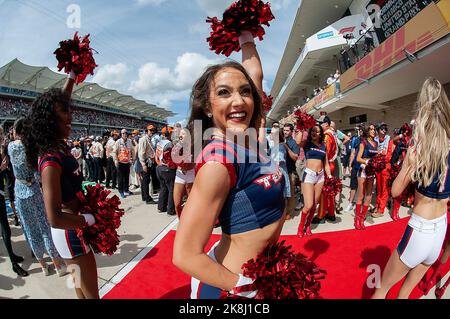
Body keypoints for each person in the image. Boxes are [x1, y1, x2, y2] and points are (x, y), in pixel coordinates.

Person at [173, 31, 286, 299]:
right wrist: (244, 286)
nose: (238, 101)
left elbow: (254, 74)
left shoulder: (249, 138)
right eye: (224, 93)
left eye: (245, 92)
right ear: (208, 107)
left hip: (261, 274)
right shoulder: (218, 161)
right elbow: (184, 255)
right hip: (229, 287)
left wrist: (246, 34)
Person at [22, 71, 99, 298]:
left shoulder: (56, 145)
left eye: (68, 110)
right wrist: (89, 219)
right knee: (92, 296)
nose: (70, 117)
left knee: (81, 292)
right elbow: (54, 217)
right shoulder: (50, 161)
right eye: (64, 113)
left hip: (68, 232)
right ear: (50, 122)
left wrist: (73, 76)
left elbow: (57, 103)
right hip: (70, 231)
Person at [373, 78, 449, 299]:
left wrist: (407, 167)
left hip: (420, 230)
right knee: (405, 294)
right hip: (440, 229)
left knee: (382, 289)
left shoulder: (418, 150)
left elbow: (396, 192)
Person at [8, 118, 66, 276]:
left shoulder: (10, 146)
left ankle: (43, 266)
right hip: (33, 188)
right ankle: (57, 263)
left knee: (30, 228)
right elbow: (38, 173)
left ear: (16, 130)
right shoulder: (32, 147)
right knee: (45, 226)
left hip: (19, 190)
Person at [0, 126, 28, 276]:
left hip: (1, 192)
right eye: (0, 134)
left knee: (6, 229)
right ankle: (12, 262)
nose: (2, 136)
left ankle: (12, 257)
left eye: (2, 133)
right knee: (5, 229)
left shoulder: (3, 149)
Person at [295, 125, 332, 237]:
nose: (314, 132)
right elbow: (297, 142)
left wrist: (329, 176)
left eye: (317, 131)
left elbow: (326, 163)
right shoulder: (307, 143)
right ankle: (300, 227)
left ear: (321, 134)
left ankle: (307, 226)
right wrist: (301, 128)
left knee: (315, 204)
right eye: (313, 130)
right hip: (309, 175)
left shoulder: (323, 146)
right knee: (308, 205)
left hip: (320, 176)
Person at [313, 115, 338, 224]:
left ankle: (321, 215)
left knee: (324, 191)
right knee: (329, 191)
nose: (319, 125)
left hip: (326, 165)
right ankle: (331, 213)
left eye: (321, 123)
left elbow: (324, 153)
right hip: (330, 164)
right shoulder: (331, 133)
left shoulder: (327, 136)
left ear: (326, 124)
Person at [354, 123, 378, 230]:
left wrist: (378, 161)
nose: (373, 131)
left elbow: (376, 158)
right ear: (367, 131)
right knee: (361, 195)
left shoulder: (376, 143)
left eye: (374, 129)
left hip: (371, 171)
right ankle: (357, 219)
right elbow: (358, 158)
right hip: (363, 170)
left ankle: (362, 217)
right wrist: (367, 161)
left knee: (369, 194)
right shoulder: (363, 142)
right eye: (371, 129)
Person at [372, 122, 395, 218]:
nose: (384, 130)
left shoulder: (389, 140)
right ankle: (377, 205)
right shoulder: (375, 140)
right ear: (378, 130)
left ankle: (381, 209)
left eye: (385, 129)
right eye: (382, 129)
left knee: (384, 189)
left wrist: (380, 157)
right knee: (378, 188)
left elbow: (389, 155)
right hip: (378, 167)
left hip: (385, 167)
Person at [173, 128, 195, 217]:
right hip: (180, 175)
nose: (181, 135)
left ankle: (192, 221)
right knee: (177, 204)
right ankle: (180, 220)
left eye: (183, 133)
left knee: (191, 202)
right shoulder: (177, 146)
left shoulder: (194, 146)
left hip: (191, 174)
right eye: (180, 134)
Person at [155, 131, 176, 216]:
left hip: (159, 167)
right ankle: (170, 210)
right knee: (171, 189)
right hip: (167, 169)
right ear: (170, 135)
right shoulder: (169, 144)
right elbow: (171, 158)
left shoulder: (160, 142)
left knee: (163, 188)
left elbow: (156, 155)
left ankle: (161, 207)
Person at [344, 125, 364, 212]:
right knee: (353, 185)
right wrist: (350, 165)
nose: (358, 131)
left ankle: (360, 203)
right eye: (357, 130)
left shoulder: (366, 140)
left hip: (363, 166)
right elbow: (352, 152)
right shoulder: (355, 139)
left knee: (362, 186)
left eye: (360, 129)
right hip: (355, 165)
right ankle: (350, 203)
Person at [283, 123, 300, 220]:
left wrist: (286, 147)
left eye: (287, 130)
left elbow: (295, 157)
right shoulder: (279, 141)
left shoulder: (293, 143)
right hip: (280, 171)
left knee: (290, 193)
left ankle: (289, 213)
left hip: (290, 171)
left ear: (291, 131)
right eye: (284, 130)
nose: (285, 132)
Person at [112, 129, 135, 198]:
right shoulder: (118, 142)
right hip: (120, 162)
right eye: (123, 133)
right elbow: (114, 152)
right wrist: (116, 160)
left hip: (127, 162)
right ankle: (121, 191)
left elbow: (132, 150)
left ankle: (126, 190)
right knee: (120, 178)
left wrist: (132, 159)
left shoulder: (129, 141)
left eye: (126, 133)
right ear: (121, 134)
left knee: (126, 177)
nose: (125, 134)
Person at [138, 124, 157, 204]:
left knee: (145, 181)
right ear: (147, 131)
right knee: (146, 180)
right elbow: (141, 152)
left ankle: (144, 196)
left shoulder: (149, 139)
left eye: (153, 130)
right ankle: (147, 198)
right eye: (150, 130)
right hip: (145, 162)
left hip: (148, 161)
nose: (152, 132)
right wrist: (143, 164)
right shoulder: (143, 139)